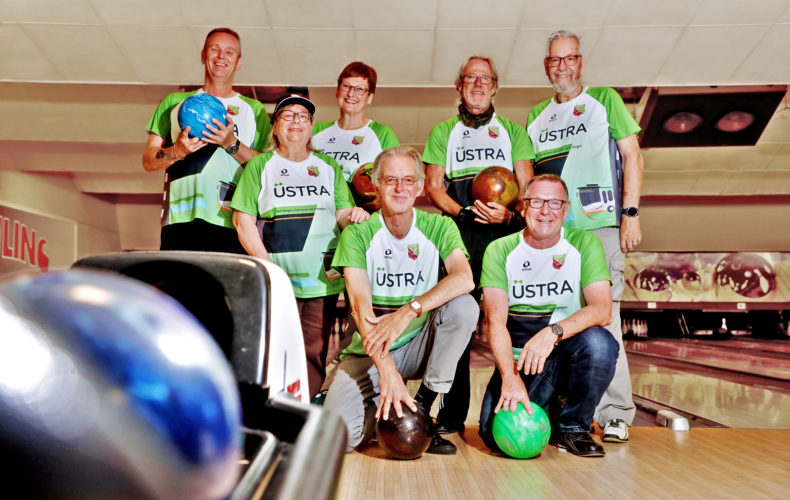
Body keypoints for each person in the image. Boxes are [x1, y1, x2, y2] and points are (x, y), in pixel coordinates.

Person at [525, 30, 644, 443]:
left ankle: (615, 413)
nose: (563, 66)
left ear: (581, 62)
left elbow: (631, 155)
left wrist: (629, 214)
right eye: (555, 60)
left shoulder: (605, 100)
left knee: (604, 319)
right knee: (558, 320)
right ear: (547, 67)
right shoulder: (536, 116)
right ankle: (565, 409)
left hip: (599, 228)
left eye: (570, 58)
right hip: (553, 236)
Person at [323, 146, 479, 455]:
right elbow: (359, 307)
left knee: (464, 306)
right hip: (372, 350)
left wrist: (409, 311)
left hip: (419, 343)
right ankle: (379, 409)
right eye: (391, 180)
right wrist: (388, 373)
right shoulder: (357, 235)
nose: (400, 188)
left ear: (421, 186)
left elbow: (465, 278)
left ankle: (422, 410)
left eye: (409, 180)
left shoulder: (439, 226)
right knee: (339, 440)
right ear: (377, 184)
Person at [422, 55, 534, 434]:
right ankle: (452, 415)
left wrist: (510, 216)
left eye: (484, 78)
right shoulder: (443, 132)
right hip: (460, 236)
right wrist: (462, 212)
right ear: (459, 84)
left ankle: (523, 401)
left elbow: (527, 189)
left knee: (509, 320)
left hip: (504, 237)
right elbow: (434, 187)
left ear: (495, 85)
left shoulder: (513, 132)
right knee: (459, 320)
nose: (477, 84)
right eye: (470, 78)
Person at [230, 95, 369, 397]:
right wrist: (269, 269)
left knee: (314, 353)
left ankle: (305, 417)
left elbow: (342, 215)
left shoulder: (328, 166)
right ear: (276, 127)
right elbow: (243, 222)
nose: (296, 121)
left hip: (323, 280)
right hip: (280, 282)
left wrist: (354, 215)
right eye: (288, 116)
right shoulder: (259, 167)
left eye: (303, 116)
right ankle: (273, 414)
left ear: (311, 128)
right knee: (274, 351)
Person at [478, 173, 618, 457]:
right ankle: (552, 410)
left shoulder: (584, 244)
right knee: (493, 436)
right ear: (524, 206)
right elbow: (495, 322)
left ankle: (574, 428)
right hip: (521, 365)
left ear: (566, 210)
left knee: (600, 342)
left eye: (554, 203)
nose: (545, 211)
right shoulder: (500, 250)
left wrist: (551, 333)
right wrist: (510, 377)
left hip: (564, 358)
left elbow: (602, 310)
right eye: (537, 201)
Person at [142, 27, 272, 253]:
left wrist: (231, 143)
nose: (221, 56)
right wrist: (176, 151)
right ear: (203, 55)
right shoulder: (174, 103)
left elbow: (267, 168)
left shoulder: (254, 110)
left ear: (239, 62)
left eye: (229, 52)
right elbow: (148, 160)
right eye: (215, 49)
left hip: (232, 223)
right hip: (179, 221)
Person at [313, 62, 400, 211]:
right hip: (321, 219)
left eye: (360, 89)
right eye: (346, 86)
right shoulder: (315, 131)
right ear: (337, 90)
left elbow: (401, 181)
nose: (351, 93)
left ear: (370, 97)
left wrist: (384, 200)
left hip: (362, 222)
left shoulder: (383, 134)